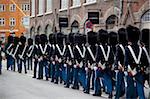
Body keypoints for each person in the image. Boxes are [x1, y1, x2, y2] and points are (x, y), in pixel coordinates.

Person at [125, 25, 147, 99]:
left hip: (131, 70)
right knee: (140, 87)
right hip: (139, 70)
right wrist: (142, 68)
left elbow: (126, 61)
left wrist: (126, 69)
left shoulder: (127, 48)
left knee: (130, 87)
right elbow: (145, 60)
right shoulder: (141, 49)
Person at [114, 28, 127, 99]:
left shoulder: (119, 47)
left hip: (120, 66)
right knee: (127, 82)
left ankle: (118, 95)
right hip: (127, 67)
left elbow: (117, 57)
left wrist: (117, 66)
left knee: (118, 82)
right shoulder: (127, 46)